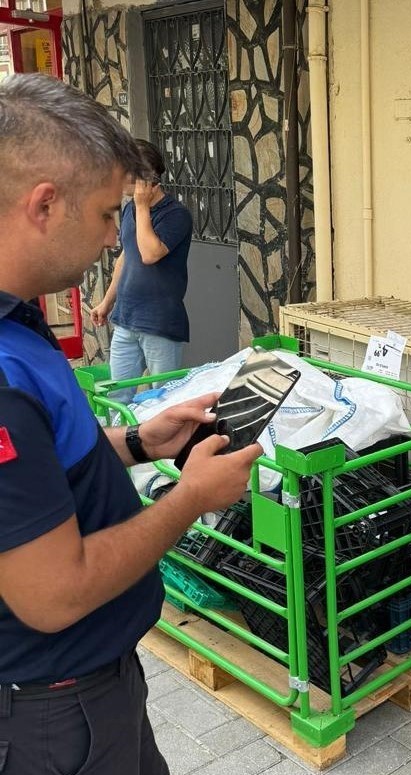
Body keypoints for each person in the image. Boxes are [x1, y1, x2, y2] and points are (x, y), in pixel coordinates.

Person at [0, 74, 262, 774]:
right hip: (53, 712)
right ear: (44, 205)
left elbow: (50, 469)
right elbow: (53, 593)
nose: (105, 237)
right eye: (103, 214)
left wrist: (142, 441)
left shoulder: (20, 320)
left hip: (90, 691)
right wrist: (190, 499)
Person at [92, 139, 193, 404]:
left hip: (159, 323)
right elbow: (126, 258)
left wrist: (141, 206)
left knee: (163, 399)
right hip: (126, 318)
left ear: (142, 177)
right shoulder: (128, 211)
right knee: (117, 397)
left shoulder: (176, 215)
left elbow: (149, 254)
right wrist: (106, 302)